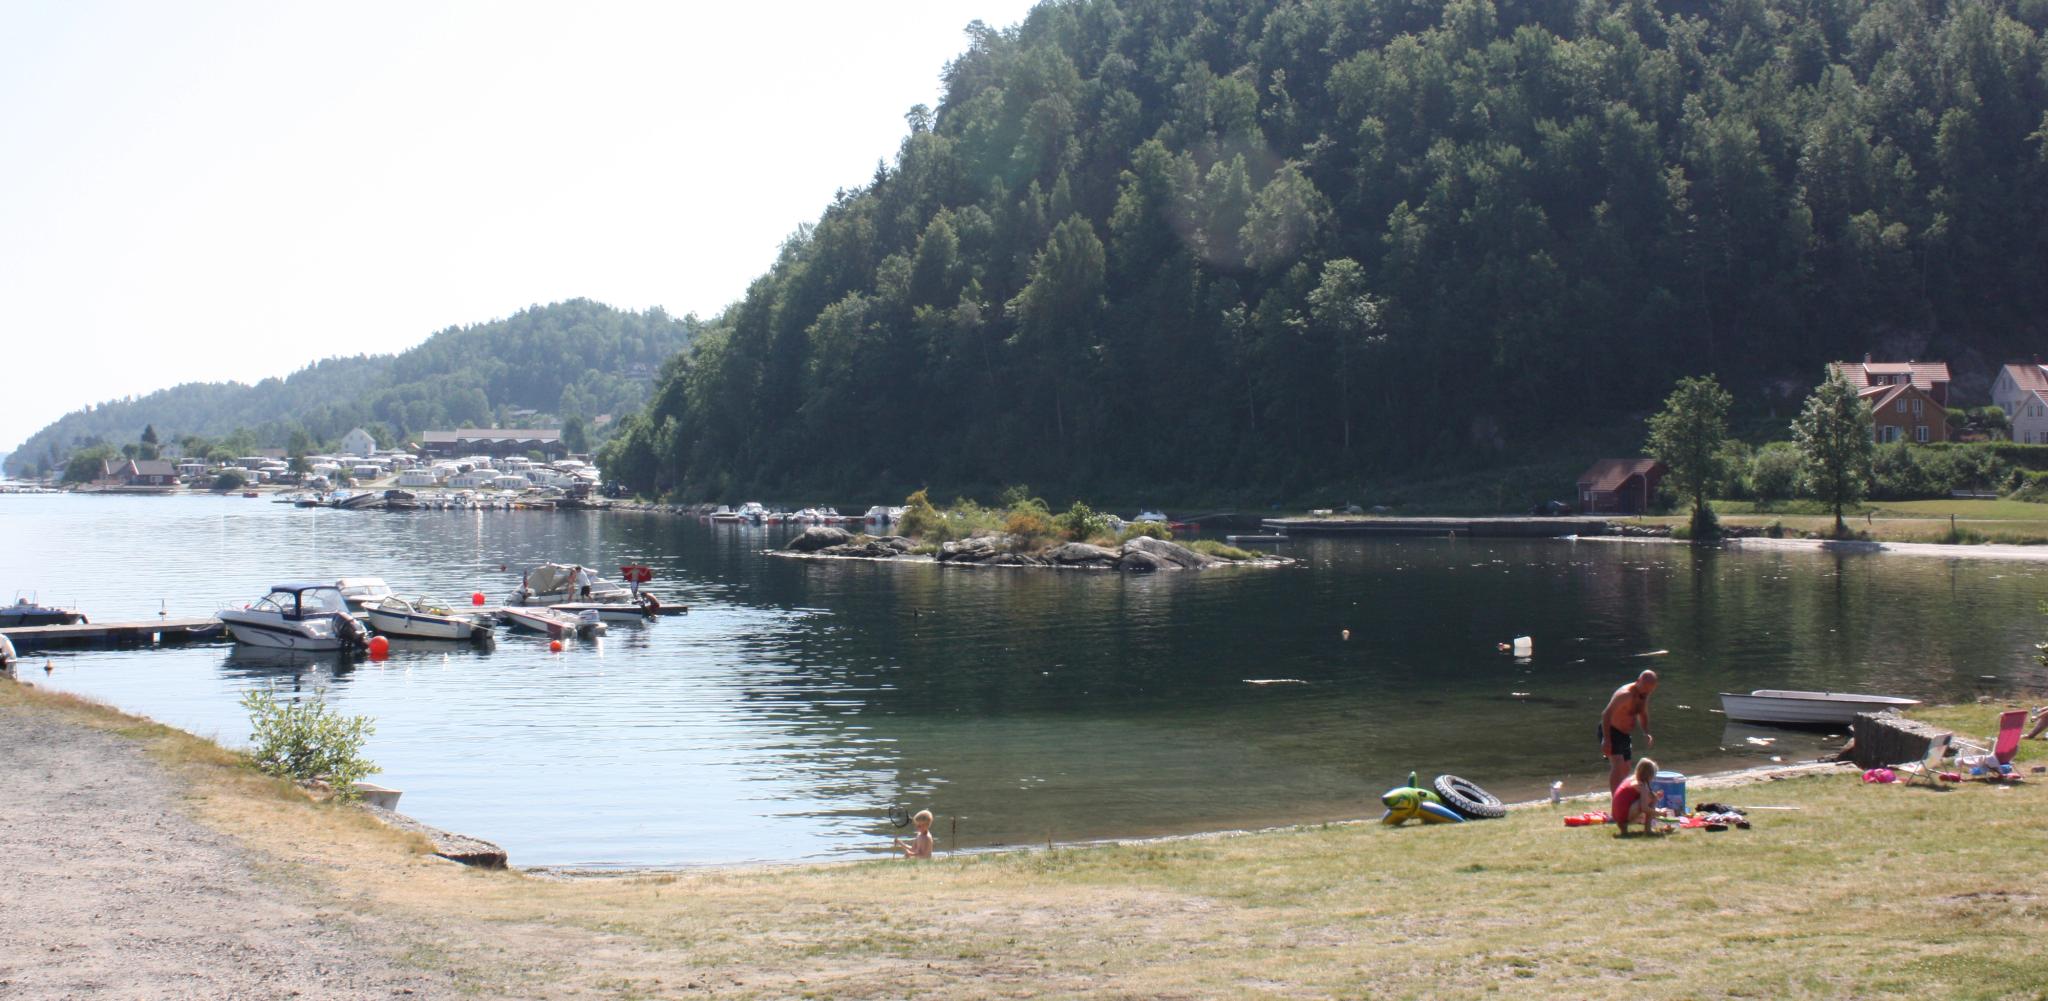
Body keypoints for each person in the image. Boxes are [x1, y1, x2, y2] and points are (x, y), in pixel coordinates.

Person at [1600, 669, 1658, 791]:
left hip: (1624, 734)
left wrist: (1646, 732)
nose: (1646, 692)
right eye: (1645, 688)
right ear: (1638, 681)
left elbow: (1643, 713)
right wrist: (1606, 740)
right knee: (1618, 765)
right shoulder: (1625, 695)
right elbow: (1606, 714)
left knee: (1626, 768)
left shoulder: (1644, 694)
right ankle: (1615, 799)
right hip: (1612, 730)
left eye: (1649, 690)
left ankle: (1622, 796)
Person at [1611, 757, 1664, 836]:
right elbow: (1644, 808)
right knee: (1653, 799)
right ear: (1649, 775)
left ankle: (1623, 829)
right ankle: (1648, 829)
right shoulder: (1641, 785)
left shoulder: (1631, 779)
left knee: (1652, 797)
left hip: (1616, 815)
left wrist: (1654, 796)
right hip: (1624, 815)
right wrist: (1660, 813)